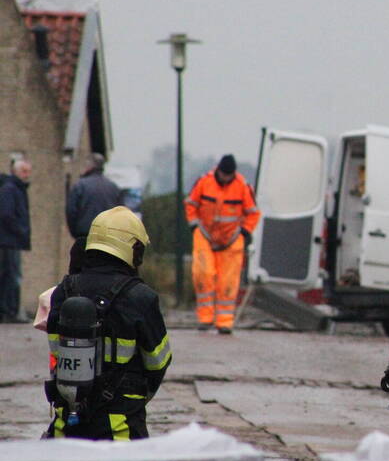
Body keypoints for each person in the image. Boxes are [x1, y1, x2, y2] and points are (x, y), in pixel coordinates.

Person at [44, 206, 172, 440]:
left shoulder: (64, 290)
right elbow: (158, 362)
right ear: (131, 248)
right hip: (121, 429)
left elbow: (56, 354)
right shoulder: (141, 297)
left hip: (67, 429)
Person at [185, 154, 260, 334]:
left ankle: (224, 322)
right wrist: (194, 224)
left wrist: (245, 231)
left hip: (232, 239)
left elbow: (253, 213)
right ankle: (205, 318)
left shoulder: (243, 186)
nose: (226, 178)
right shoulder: (204, 182)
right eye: (224, 174)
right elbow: (190, 204)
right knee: (203, 274)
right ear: (218, 170)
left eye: (229, 175)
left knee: (228, 281)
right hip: (204, 234)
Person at [0, 159, 32, 323]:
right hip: (9, 241)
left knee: (10, 275)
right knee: (12, 275)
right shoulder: (11, 189)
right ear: (16, 171)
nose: (27, 175)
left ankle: (9, 310)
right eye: (24, 171)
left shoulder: (14, 189)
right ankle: (10, 311)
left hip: (9, 240)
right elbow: (6, 214)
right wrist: (21, 230)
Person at [66, 153, 122, 238]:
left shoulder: (80, 186)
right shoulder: (114, 188)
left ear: (89, 166)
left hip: (85, 235)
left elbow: (71, 211)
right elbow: (121, 213)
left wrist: (75, 232)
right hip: (107, 237)